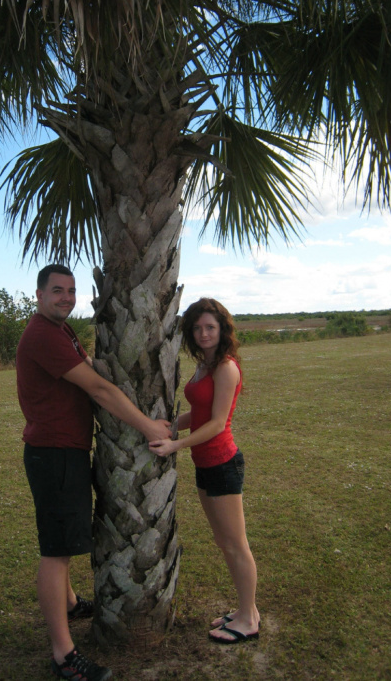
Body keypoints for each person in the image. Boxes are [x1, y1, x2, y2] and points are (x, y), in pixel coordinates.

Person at [16, 264, 171, 681]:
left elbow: (90, 369)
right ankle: (64, 655)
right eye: (57, 291)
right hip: (54, 455)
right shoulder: (44, 335)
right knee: (57, 552)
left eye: (71, 290)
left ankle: (68, 604)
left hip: (61, 451)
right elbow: (98, 387)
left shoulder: (59, 330)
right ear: (38, 294)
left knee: (61, 543)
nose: (65, 297)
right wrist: (148, 425)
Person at [149, 297, 260, 644]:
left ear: (222, 329)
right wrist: (172, 426)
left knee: (235, 544)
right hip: (205, 464)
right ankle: (246, 611)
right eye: (197, 328)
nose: (203, 333)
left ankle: (249, 618)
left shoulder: (226, 367)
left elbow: (216, 423)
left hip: (223, 463)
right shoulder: (204, 365)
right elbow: (198, 414)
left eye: (210, 327)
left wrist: (175, 445)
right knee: (223, 541)